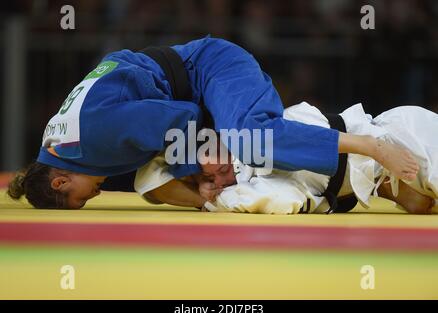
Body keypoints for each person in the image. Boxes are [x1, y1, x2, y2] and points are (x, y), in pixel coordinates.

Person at [7, 36, 419, 209]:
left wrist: (195, 168)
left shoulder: (93, 136)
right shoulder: (59, 140)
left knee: (250, 138)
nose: (94, 196)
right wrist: (200, 180)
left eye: (81, 198)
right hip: (189, 83)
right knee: (150, 184)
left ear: (60, 180)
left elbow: (184, 118)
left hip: (209, 67)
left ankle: (371, 146)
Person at [194, 102, 438, 214]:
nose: (220, 181)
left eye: (223, 169)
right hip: (374, 174)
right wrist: (206, 194)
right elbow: (280, 198)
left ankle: (387, 177)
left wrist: (213, 201)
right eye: (210, 176)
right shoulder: (253, 179)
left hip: (399, 138)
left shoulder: (265, 145)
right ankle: (389, 187)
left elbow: (276, 198)